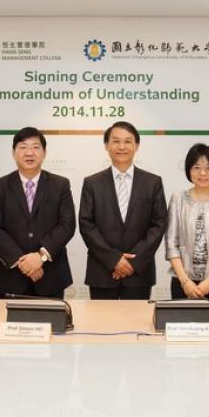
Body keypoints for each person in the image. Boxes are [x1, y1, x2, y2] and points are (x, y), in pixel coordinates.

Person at [79, 121, 167, 300]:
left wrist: (132, 262)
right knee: (101, 327)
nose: (121, 146)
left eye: (128, 141)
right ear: (106, 145)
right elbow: (86, 225)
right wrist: (114, 260)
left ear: (137, 146)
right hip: (102, 272)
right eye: (116, 141)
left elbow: (158, 224)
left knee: (137, 325)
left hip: (139, 273)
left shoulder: (152, 183)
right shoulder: (92, 183)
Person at [0, 127, 76, 298]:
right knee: (7, 324)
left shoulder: (60, 185)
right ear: (13, 153)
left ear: (44, 153)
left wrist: (40, 257)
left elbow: (66, 225)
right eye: (23, 147)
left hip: (50, 275)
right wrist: (23, 262)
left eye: (35, 147)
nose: (29, 152)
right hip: (9, 277)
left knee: (51, 325)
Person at [165, 144, 209, 299]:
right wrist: (185, 281)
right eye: (196, 167)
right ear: (188, 170)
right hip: (183, 283)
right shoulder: (178, 199)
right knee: (181, 323)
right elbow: (171, 244)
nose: (203, 173)